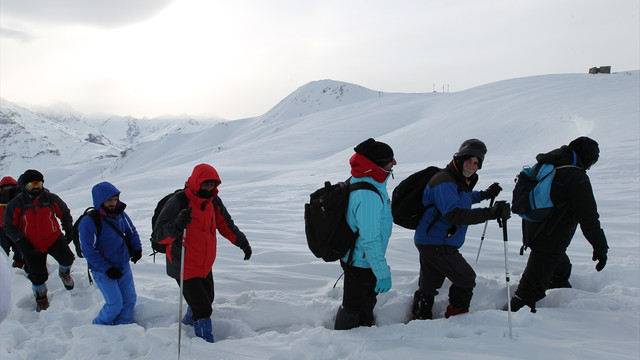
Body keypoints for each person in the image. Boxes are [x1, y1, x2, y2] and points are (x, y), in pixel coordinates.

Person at [411, 139, 510, 320]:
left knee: (429, 284)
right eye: (469, 160)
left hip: (432, 239)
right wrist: (491, 212)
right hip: (437, 242)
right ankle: (457, 318)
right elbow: (455, 214)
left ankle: (420, 317)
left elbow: (461, 198)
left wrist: (483, 195)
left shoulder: (457, 179)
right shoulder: (445, 181)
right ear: (460, 158)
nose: (472, 166)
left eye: (477, 163)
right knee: (466, 279)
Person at [508, 136, 609, 312]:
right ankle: (507, 324)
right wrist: (600, 247)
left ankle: (560, 293)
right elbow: (589, 217)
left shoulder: (549, 164)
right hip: (551, 237)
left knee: (560, 268)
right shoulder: (576, 176)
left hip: (534, 229)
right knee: (528, 291)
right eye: (592, 162)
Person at [154, 163, 252, 343]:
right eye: (206, 184)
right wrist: (176, 225)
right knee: (204, 309)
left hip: (204, 265)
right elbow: (158, 237)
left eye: (213, 184)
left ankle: (188, 324)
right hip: (184, 265)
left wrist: (242, 242)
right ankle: (205, 343)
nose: (209, 188)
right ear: (197, 182)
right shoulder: (179, 202)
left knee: (208, 299)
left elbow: (225, 224)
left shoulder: (213, 201)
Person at [334, 138, 396, 330]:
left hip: (360, 258)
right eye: (390, 160)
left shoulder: (366, 181)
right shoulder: (368, 194)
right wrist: (382, 272)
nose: (394, 163)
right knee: (353, 308)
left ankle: (364, 334)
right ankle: (341, 343)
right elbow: (369, 240)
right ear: (377, 164)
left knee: (364, 303)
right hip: (361, 262)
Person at [2, 169, 76, 311]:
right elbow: (8, 225)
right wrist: (21, 241)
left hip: (53, 238)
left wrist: (68, 229)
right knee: (38, 276)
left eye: (39, 182)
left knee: (67, 259)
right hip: (31, 244)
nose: (36, 186)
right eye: (32, 183)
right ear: (24, 185)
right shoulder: (16, 204)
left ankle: (64, 273)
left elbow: (64, 212)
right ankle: (41, 298)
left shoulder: (50, 198)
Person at [78, 182, 143, 325]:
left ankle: (123, 326)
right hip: (102, 270)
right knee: (115, 304)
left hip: (123, 266)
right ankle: (99, 326)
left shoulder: (120, 214)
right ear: (100, 201)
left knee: (129, 300)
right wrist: (107, 268)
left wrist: (137, 248)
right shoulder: (89, 222)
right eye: (109, 200)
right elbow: (88, 251)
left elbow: (131, 231)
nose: (113, 203)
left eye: (115, 199)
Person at [0, 176, 24, 268]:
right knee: (3, 251)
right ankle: (3, 268)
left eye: (11, 186)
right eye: (6, 187)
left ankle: (19, 265)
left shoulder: (20, 199)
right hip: (2, 230)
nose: (8, 189)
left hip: (16, 228)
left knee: (19, 248)